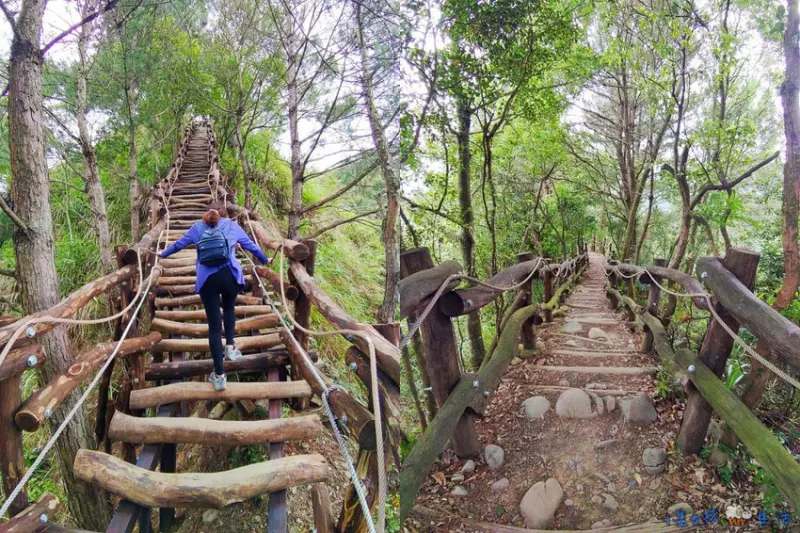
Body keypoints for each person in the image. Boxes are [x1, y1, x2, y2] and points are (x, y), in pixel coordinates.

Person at [160, 202, 271, 391]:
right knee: (229, 308)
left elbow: (179, 244)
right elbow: (250, 246)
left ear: (207, 213)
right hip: (230, 277)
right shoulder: (232, 226)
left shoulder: (197, 227)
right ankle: (230, 348)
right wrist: (264, 259)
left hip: (207, 280)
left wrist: (162, 254)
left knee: (213, 327)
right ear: (225, 215)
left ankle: (219, 376)